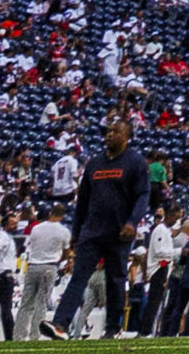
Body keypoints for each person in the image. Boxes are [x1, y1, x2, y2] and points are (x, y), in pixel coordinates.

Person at [53, 129, 147, 338]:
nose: (110, 135)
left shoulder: (135, 162)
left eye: (116, 132)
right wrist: (76, 233)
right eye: (108, 132)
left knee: (115, 280)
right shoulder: (94, 164)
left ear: (126, 137)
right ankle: (60, 324)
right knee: (78, 276)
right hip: (92, 231)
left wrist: (133, 221)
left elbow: (142, 195)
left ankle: (113, 328)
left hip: (119, 231)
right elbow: (83, 201)